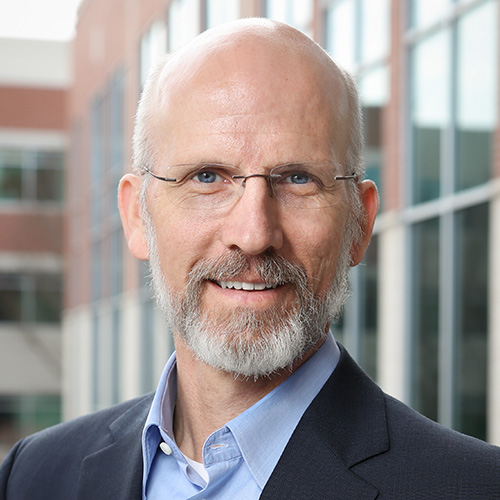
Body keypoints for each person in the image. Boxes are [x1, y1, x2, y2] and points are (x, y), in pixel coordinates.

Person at [1, 18, 499, 500]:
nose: (254, 233)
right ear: (137, 216)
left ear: (359, 225)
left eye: (298, 179)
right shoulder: (33, 476)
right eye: (207, 177)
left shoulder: (474, 488)